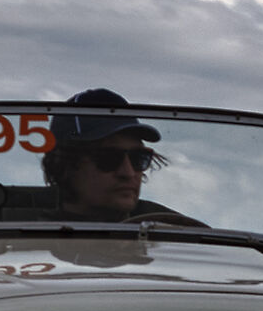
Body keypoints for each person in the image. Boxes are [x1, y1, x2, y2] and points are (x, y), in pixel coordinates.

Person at [43, 89, 207, 227]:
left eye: (139, 159)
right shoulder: (27, 245)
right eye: (108, 158)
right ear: (64, 165)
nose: (128, 172)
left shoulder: (172, 234)